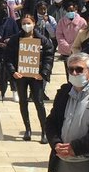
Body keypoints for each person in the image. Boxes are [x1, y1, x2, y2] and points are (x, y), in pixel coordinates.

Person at [6, 13, 54, 143]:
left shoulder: (43, 40)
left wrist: (43, 73)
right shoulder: (15, 40)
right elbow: (8, 58)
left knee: (39, 102)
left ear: (34, 24)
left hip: (36, 76)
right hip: (21, 75)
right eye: (24, 23)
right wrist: (13, 72)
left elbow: (49, 57)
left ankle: (44, 131)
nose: (26, 25)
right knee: (23, 101)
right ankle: (27, 129)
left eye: (29, 23)